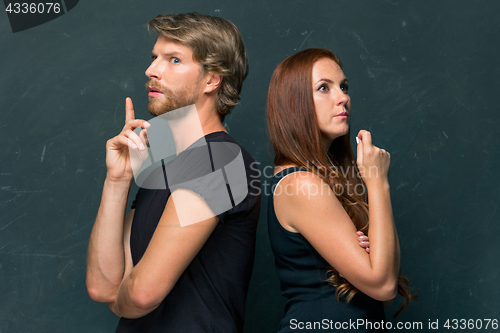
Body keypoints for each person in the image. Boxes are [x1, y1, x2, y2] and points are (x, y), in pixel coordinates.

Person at [85, 13, 261, 333]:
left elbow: (141, 294)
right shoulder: (161, 165)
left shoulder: (219, 160)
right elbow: (101, 285)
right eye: (154, 58)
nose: (151, 70)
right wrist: (118, 180)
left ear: (212, 79)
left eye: (174, 60)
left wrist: (120, 301)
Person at [266, 48, 414, 332]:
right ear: (293, 104)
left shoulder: (321, 179)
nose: (343, 97)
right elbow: (383, 285)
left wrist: (374, 254)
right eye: (324, 88)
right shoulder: (301, 184)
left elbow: (383, 272)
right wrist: (378, 181)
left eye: (343, 86)